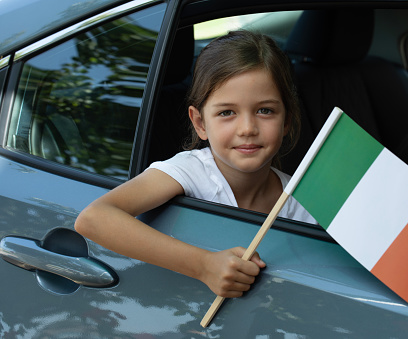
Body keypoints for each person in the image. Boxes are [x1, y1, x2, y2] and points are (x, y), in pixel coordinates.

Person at [75, 30, 315, 299]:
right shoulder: (191, 171)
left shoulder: (302, 200)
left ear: (287, 121)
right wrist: (204, 266)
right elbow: (94, 218)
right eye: (227, 113)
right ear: (200, 123)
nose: (248, 128)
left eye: (265, 110)